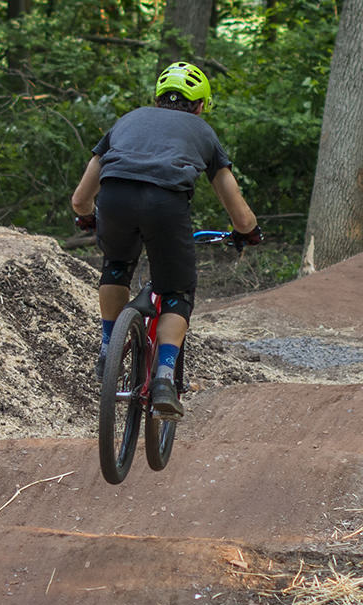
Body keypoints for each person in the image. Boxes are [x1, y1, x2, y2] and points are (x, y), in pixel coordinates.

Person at [68, 61, 263, 419]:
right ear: (200, 105)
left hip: (114, 197)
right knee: (177, 291)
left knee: (116, 265)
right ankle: (163, 379)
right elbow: (237, 209)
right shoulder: (203, 131)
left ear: (157, 99)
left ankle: (109, 347)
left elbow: (81, 198)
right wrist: (247, 231)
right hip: (165, 204)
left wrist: (88, 216)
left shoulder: (127, 121)